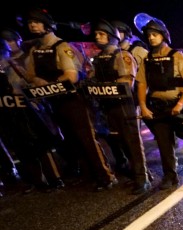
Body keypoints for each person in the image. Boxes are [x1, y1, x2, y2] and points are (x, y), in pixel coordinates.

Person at [22, 8, 117, 191]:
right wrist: (37, 81)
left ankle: (105, 176)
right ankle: (89, 175)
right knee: (72, 140)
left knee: (87, 139)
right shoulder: (35, 50)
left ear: (47, 24)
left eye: (37, 21)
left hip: (73, 101)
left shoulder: (62, 47)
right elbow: (31, 75)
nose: (32, 25)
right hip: (54, 102)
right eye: (30, 22)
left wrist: (49, 83)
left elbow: (71, 76)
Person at [135, 14, 183, 189]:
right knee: (164, 145)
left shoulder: (177, 56)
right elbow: (141, 84)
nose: (151, 37)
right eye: (148, 35)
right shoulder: (147, 60)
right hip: (158, 108)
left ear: (163, 35)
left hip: (179, 107)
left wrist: (180, 104)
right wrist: (143, 106)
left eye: (154, 34)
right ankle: (170, 177)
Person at [88, 20, 151, 194]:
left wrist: (102, 87)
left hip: (124, 106)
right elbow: (91, 79)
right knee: (120, 142)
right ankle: (136, 173)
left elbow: (126, 82)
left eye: (102, 34)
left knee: (133, 143)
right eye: (96, 34)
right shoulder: (99, 59)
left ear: (112, 36)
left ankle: (142, 179)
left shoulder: (122, 56)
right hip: (107, 106)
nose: (97, 37)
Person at [0, 32, 64, 193]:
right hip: (9, 114)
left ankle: (55, 179)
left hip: (27, 111)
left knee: (41, 145)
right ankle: (38, 181)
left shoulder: (16, 65)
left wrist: (35, 101)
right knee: (22, 149)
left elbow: (31, 83)